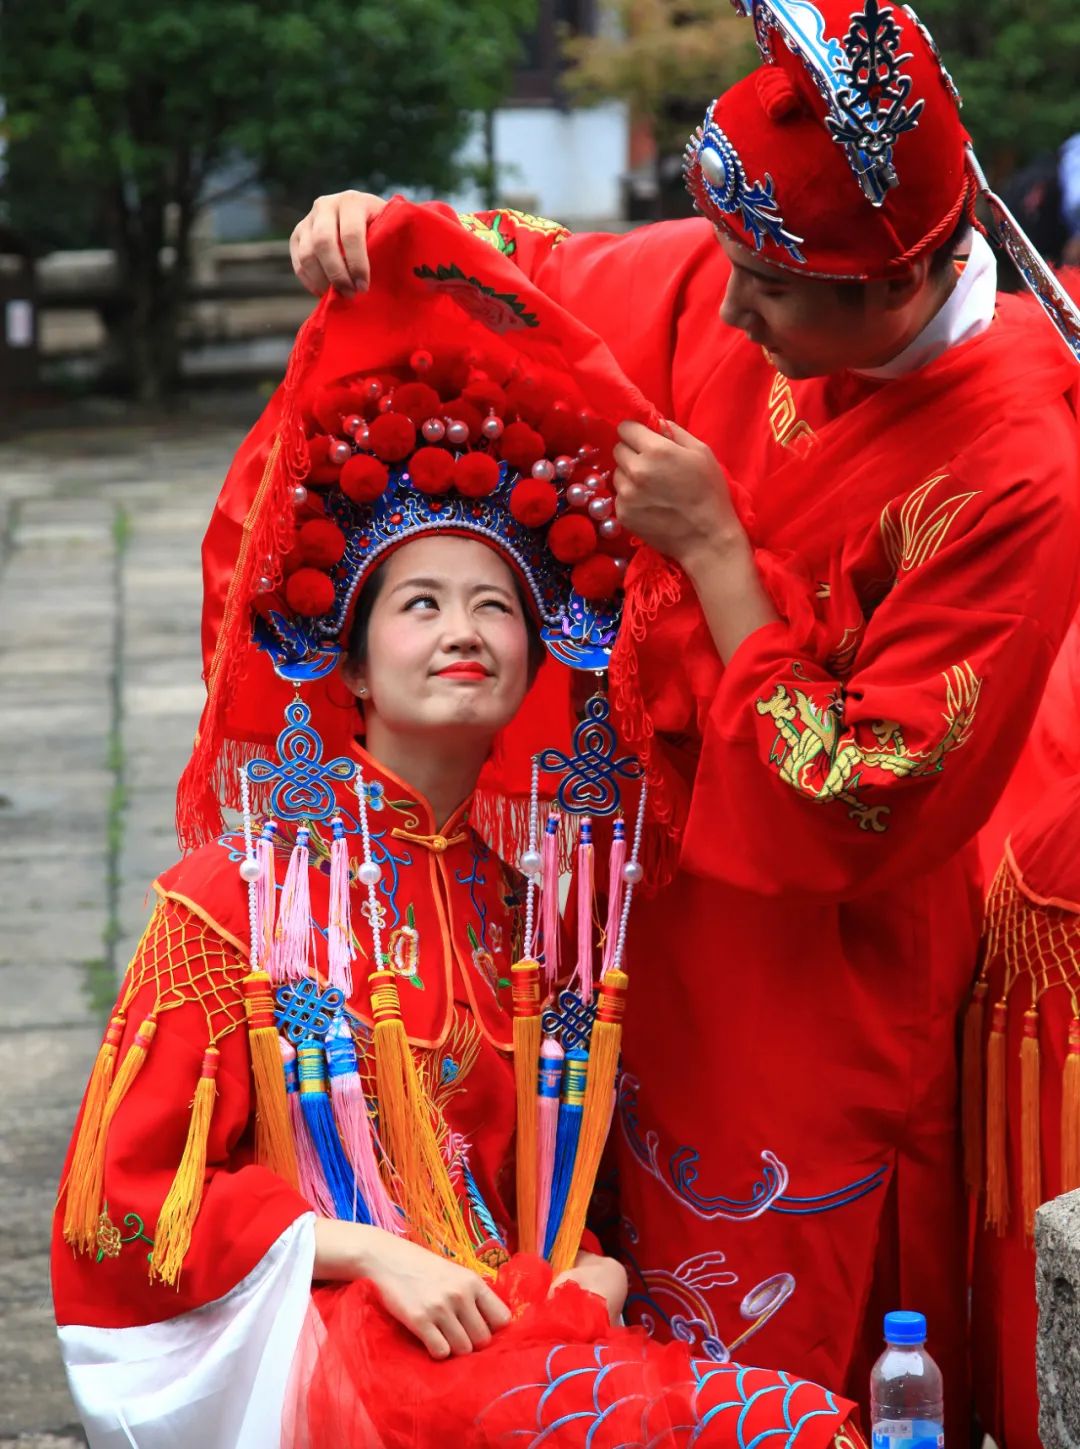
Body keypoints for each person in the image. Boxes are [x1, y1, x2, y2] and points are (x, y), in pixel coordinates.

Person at [288, 0, 1080, 1429]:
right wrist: (392, 228)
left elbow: (863, 791)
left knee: (768, 1325)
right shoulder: (784, 294)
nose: (722, 311)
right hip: (638, 908)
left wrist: (717, 556)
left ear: (896, 277)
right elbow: (558, 275)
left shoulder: (1019, 462)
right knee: (599, 1266)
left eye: (766, 288)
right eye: (729, 265)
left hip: (816, 965)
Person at [51, 203, 865, 1449]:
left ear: (530, 667)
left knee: (799, 1422)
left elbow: (515, 1192)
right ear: (355, 671)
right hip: (344, 1345)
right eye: (418, 603)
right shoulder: (237, 897)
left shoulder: (524, 908)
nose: (461, 628)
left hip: (510, 1334)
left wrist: (592, 1260)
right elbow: (118, 1210)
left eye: (494, 604)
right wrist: (368, 1254)